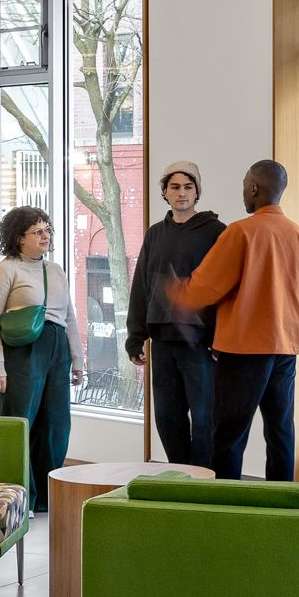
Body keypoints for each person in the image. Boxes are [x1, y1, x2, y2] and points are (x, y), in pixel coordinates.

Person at [168, 159, 299, 483]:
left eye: (244, 186)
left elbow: (205, 287)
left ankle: (225, 514)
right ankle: (281, 511)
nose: (243, 193)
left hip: (244, 349)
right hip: (286, 346)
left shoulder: (241, 232)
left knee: (229, 437)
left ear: (254, 188)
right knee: (280, 434)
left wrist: (175, 292)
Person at [125, 160, 224, 466]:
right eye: (175, 187)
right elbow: (141, 285)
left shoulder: (216, 232)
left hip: (201, 342)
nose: (181, 193)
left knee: (205, 416)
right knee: (167, 416)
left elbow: (225, 288)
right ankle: (180, 476)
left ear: (197, 193)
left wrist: (221, 338)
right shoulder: (155, 234)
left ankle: (204, 482)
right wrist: (135, 336)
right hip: (163, 342)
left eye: (188, 187)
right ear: (165, 193)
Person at [0, 205, 77, 511]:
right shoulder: (5, 270)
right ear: (18, 238)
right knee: (20, 424)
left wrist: (78, 360)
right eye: (38, 231)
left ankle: (46, 499)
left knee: (56, 425)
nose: (45, 235)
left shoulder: (56, 271)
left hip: (57, 349)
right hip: (22, 352)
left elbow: (70, 317)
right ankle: (20, 498)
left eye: (47, 229)